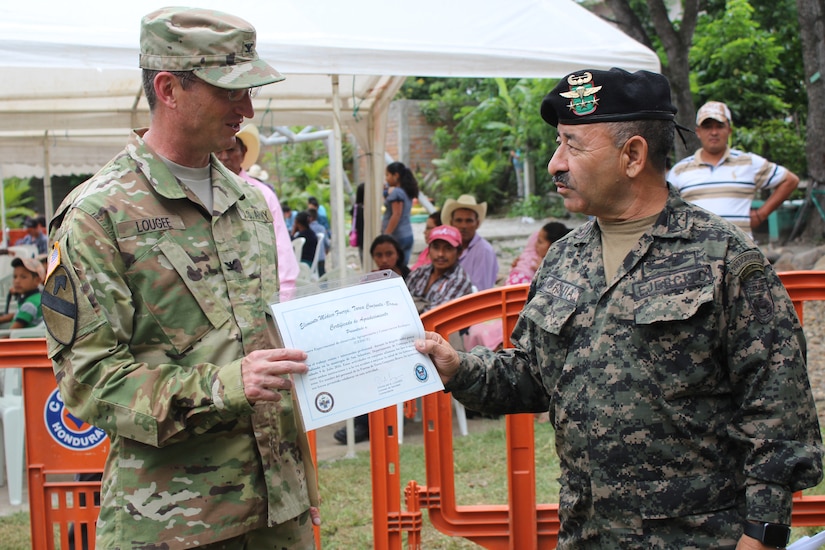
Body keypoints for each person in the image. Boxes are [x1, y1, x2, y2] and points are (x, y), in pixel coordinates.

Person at [415, 68, 823, 549]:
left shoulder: (724, 258)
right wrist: (458, 366)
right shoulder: (565, 258)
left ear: (632, 155)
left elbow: (776, 413)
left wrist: (762, 537)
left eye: (573, 145)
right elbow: (533, 374)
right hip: (588, 535)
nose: (554, 163)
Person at [39, 8, 320, 549]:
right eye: (230, 91)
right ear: (168, 88)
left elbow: (261, 343)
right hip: (175, 521)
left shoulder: (250, 203)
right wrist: (224, 386)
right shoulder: (99, 216)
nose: (248, 109)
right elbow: (91, 381)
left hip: (275, 513)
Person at [668, 101, 800, 239]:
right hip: (696, 256)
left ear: (729, 130)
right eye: (707, 127)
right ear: (698, 132)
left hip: (740, 254)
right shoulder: (679, 170)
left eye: (719, 126)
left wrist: (761, 215)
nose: (714, 132)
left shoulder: (749, 163)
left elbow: (790, 180)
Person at [333, 234, 410, 445]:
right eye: (378, 255)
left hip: (403, 337)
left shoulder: (410, 278)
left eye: (389, 254)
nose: (384, 259)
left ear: (398, 254)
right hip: (374, 335)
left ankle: (368, 423)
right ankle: (366, 419)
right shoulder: (369, 280)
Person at [463, 222, 571, 353]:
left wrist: (542, 273)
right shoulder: (532, 258)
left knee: (488, 332)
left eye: (540, 242)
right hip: (511, 305)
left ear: (553, 245)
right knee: (477, 328)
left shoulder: (561, 265)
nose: (535, 244)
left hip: (529, 313)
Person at [217, 124, 299, 294]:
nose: (224, 157)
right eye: (218, 151)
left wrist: (283, 296)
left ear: (243, 152)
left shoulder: (262, 194)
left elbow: (281, 248)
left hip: (258, 295)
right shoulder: (202, 192)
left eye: (231, 150)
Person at [406, 225, 474, 314]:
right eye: (436, 247)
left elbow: (436, 315)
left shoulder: (460, 280)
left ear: (459, 253)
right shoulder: (420, 272)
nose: (440, 254)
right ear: (429, 249)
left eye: (448, 248)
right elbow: (399, 302)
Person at [441, 194, 497, 291]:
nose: (464, 226)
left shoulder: (484, 251)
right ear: (451, 223)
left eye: (469, 221)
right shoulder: (448, 247)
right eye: (459, 220)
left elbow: (481, 292)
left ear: (477, 223)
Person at [382, 161, 418, 265]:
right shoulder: (406, 191)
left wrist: (386, 235)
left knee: (395, 271)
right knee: (403, 268)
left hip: (397, 236)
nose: (386, 178)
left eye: (388, 175)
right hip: (407, 234)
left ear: (396, 175)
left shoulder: (397, 192)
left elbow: (396, 214)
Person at [0, 256, 44, 330]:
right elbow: (20, 314)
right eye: (15, 277)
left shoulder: (30, 304)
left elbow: (12, 333)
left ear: (37, 280)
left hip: (22, 339)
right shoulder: (36, 297)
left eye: (23, 277)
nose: (17, 281)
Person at [307, 208, 329, 277]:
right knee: (322, 276)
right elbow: (327, 243)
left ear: (309, 218)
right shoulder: (322, 228)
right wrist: (326, 249)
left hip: (311, 259)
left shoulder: (307, 229)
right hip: (321, 257)